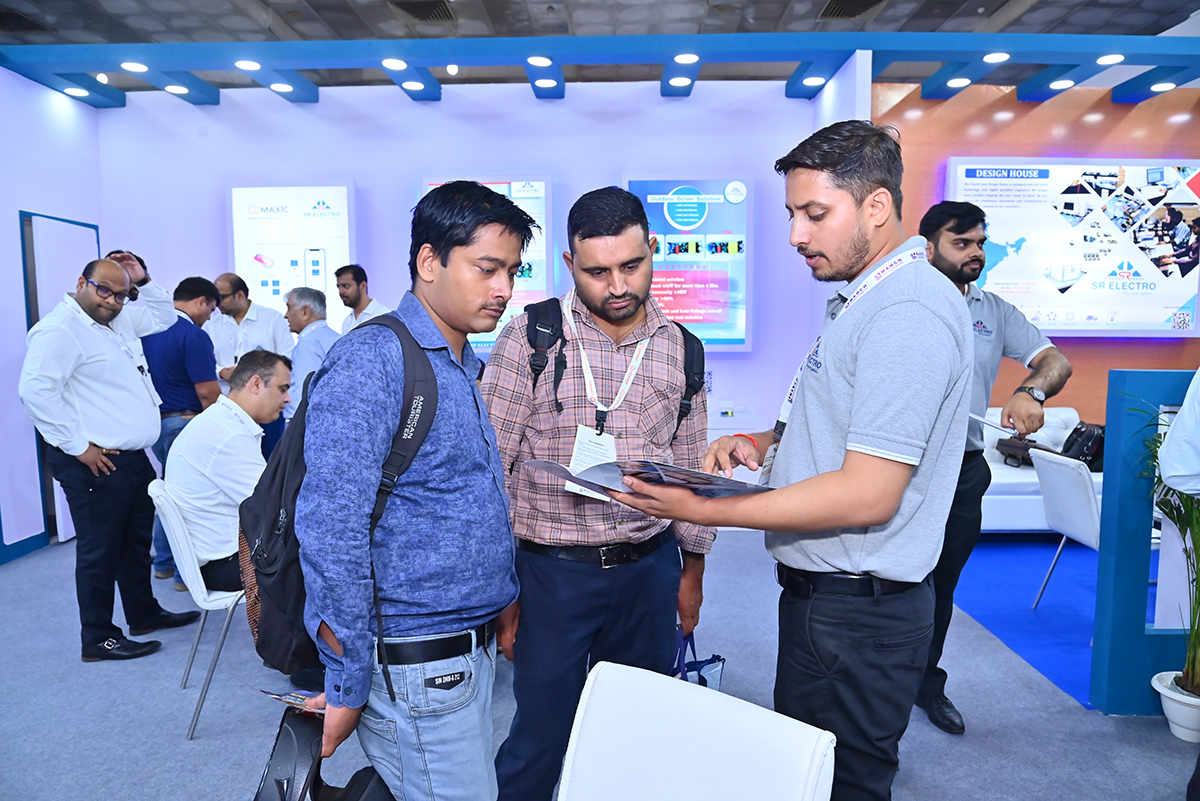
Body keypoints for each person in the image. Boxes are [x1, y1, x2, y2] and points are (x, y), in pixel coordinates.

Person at [612, 120, 972, 801]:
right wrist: (764, 443)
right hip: (831, 603)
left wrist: (707, 508)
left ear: (876, 206)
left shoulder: (906, 313)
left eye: (815, 214)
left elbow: (869, 493)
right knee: (808, 774)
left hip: (857, 611)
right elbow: (850, 427)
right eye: (791, 214)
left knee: (842, 783)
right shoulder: (867, 300)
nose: (796, 235)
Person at [295, 180, 536, 801]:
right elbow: (331, 528)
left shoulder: (458, 361)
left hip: (462, 651)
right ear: (430, 262)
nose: (504, 289)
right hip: (416, 661)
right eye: (487, 269)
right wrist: (347, 682)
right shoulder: (374, 359)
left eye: (512, 271)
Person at [481, 186, 715, 801]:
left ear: (653, 250)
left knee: (635, 733)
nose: (617, 286)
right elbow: (490, 468)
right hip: (552, 573)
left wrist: (691, 572)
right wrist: (503, 593)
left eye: (631, 266)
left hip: (648, 570)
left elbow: (689, 468)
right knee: (540, 736)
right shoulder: (531, 337)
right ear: (569, 264)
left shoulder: (683, 350)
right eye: (596, 272)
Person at [915, 201, 1073, 735]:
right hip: (900, 468)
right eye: (962, 243)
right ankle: (876, 682)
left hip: (962, 470)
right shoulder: (902, 299)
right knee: (888, 580)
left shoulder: (993, 310)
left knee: (942, 583)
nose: (976, 253)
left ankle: (925, 682)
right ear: (929, 247)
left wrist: (1032, 390)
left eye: (980, 243)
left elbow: (1055, 361)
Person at [19, 254, 201, 661]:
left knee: (134, 543)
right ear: (80, 283)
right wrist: (78, 447)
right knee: (99, 549)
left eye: (122, 294)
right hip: (94, 460)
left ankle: (143, 613)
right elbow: (35, 392)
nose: (113, 300)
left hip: (131, 456)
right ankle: (98, 637)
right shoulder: (59, 330)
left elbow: (165, 317)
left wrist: (143, 279)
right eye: (104, 290)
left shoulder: (117, 321)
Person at [165, 350, 291, 591]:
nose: (287, 399)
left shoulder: (220, 421)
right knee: (327, 553)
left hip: (221, 556)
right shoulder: (227, 434)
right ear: (256, 384)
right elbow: (274, 505)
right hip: (228, 563)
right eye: (282, 389)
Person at [142, 276, 222, 591]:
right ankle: (183, 573)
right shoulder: (192, 335)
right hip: (186, 423)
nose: (209, 318)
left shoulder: (145, 330)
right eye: (211, 310)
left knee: (168, 494)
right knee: (189, 500)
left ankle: (163, 563)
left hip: (156, 425)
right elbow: (208, 393)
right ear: (201, 301)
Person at [205, 272, 294, 456]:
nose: (216, 303)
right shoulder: (212, 323)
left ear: (240, 295)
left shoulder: (271, 318)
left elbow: (287, 356)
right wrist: (222, 372)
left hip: (266, 403)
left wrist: (254, 375)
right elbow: (204, 361)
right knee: (234, 458)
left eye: (221, 297)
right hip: (229, 406)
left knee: (270, 460)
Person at [282, 287, 340, 421]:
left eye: (289, 308)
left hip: (304, 422)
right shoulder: (337, 338)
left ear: (305, 312)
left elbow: (303, 395)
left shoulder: (308, 343)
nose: (286, 315)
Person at [336, 264, 390, 334]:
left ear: (363, 286)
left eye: (346, 286)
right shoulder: (347, 322)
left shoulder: (383, 316)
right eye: (339, 287)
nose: (341, 292)